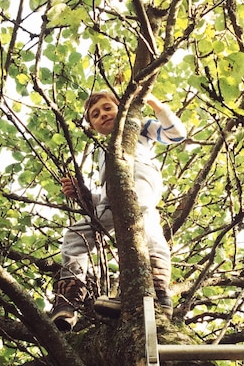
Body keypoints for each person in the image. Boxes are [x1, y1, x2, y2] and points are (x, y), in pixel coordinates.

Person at [51, 90, 187, 331]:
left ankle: (158, 292)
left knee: (143, 224)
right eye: (95, 114)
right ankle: (69, 296)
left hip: (140, 185)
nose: (103, 115)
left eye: (107, 108)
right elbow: (102, 200)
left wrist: (152, 100)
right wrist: (82, 194)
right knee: (76, 233)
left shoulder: (139, 127)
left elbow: (176, 134)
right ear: (91, 126)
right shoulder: (101, 152)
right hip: (112, 199)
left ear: (122, 109)